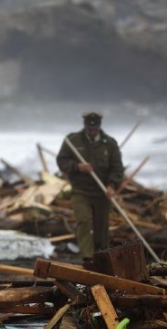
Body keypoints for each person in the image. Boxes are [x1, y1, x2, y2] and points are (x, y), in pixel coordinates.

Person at [56, 111, 124, 267]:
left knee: (102, 226)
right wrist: (77, 167)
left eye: (95, 128)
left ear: (99, 126)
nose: (92, 131)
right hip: (81, 190)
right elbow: (62, 161)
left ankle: (100, 257)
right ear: (85, 125)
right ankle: (87, 258)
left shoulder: (110, 143)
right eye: (89, 127)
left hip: (102, 193)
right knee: (84, 221)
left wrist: (112, 185)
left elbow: (117, 168)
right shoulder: (72, 141)